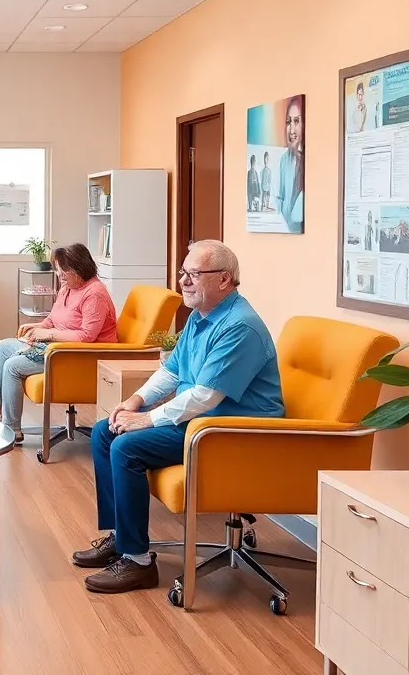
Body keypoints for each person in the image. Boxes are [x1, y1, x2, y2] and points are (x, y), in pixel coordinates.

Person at [71, 240, 283, 595]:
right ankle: (121, 537)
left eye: (194, 274)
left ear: (224, 279)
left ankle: (137, 562)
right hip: (201, 422)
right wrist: (135, 401)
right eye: (183, 273)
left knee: (126, 447)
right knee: (103, 431)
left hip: (231, 432)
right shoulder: (201, 318)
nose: (184, 281)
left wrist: (148, 419)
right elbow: (171, 372)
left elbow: (205, 395)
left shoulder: (238, 326)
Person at [0, 243, 117, 443]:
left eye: (64, 272)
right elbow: (53, 319)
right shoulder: (68, 287)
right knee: (2, 347)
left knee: (12, 366)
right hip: (55, 346)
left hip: (77, 356)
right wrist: (36, 330)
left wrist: (49, 334)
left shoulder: (94, 293)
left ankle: (11, 429)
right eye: (58, 270)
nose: (60, 276)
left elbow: (87, 336)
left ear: (80, 268)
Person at [275, 96, 305, 231]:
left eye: (297, 121)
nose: (292, 130)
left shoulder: (307, 162)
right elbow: (279, 199)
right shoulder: (284, 160)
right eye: (288, 122)